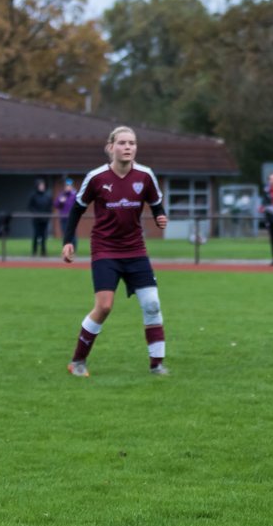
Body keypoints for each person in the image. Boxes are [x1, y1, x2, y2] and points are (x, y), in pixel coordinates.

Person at [61, 127, 169, 377]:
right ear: (111, 147)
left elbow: (156, 204)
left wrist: (159, 216)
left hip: (135, 250)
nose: (128, 147)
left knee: (152, 304)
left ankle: (157, 365)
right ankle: (77, 361)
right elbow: (76, 209)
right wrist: (68, 241)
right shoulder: (97, 177)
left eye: (132, 143)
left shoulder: (145, 176)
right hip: (105, 250)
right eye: (122, 143)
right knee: (105, 306)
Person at [28, 179, 53, 257]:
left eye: (43, 185)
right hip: (36, 219)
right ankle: (34, 251)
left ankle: (43, 251)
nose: (42, 187)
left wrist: (48, 215)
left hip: (45, 219)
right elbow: (30, 207)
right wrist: (36, 213)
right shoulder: (33, 195)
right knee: (36, 235)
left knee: (44, 236)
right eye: (40, 185)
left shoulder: (47, 196)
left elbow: (50, 207)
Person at [55, 179, 77, 248]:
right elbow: (56, 205)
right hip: (63, 218)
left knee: (72, 234)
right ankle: (65, 249)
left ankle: (73, 249)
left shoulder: (74, 195)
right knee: (65, 234)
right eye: (67, 186)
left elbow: (77, 206)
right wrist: (61, 201)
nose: (68, 187)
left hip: (72, 218)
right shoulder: (62, 195)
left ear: (72, 186)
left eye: (69, 186)